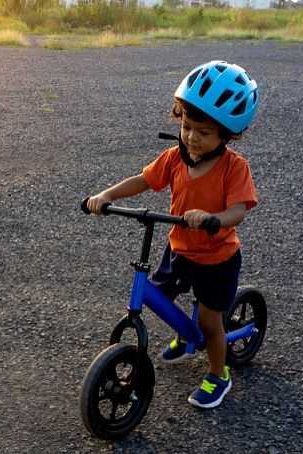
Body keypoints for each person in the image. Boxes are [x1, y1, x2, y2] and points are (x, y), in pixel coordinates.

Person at [86, 60, 259, 409]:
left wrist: (214, 218)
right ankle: (185, 333)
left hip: (216, 259)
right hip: (180, 248)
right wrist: (107, 196)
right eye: (187, 126)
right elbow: (143, 180)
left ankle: (217, 374)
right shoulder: (174, 158)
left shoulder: (234, 167)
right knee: (161, 298)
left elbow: (238, 210)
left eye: (204, 132)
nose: (192, 137)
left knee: (211, 324)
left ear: (227, 134)